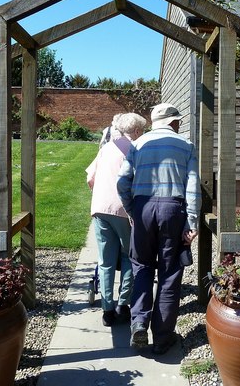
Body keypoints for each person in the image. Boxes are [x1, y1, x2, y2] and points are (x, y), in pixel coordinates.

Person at [117, 103, 200, 355]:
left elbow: (122, 183)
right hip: (172, 210)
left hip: (143, 208)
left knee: (141, 266)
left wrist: (133, 211)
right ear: (173, 122)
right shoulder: (185, 146)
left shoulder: (138, 145)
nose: (180, 124)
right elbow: (192, 188)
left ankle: (139, 322)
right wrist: (191, 222)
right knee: (169, 273)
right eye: (178, 121)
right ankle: (163, 338)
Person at [86, 112, 147, 326]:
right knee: (128, 256)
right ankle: (123, 305)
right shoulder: (134, 149)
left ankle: (107, 310)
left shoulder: (106, 148)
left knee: (105, 262)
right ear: (137, 131)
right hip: (123, 210)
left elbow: (90, 178)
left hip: (100, 208)